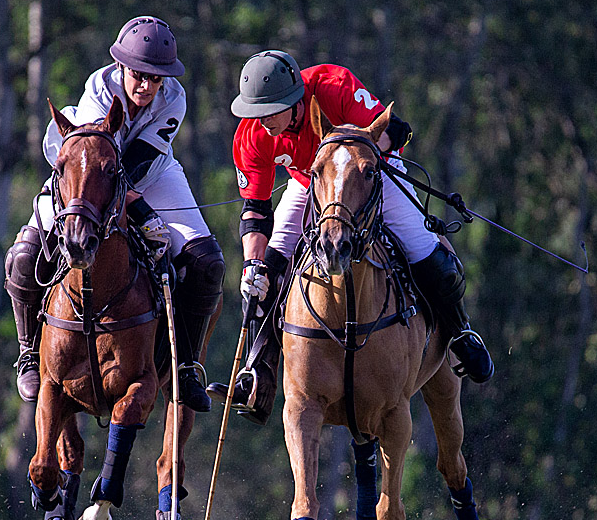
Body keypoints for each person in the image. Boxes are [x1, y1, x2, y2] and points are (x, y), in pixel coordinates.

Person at [207, 50, 493, 425]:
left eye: (271, 111)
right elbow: (256, 212)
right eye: (255, 113)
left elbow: (397, 130)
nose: (262, 122)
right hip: (311, 183)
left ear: (297, 101)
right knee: (265, 277)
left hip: (371, 175)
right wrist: (252, 265)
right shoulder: (251, 135)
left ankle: (460, 334)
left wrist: (359, 161)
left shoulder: (334, 86)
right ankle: (257, 373)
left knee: (425, 250)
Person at [4, 16, 225, 415]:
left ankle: (187, 366)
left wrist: (142, 210)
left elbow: (137, 164)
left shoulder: (174, 98)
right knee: (24, 255)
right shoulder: (98, 90)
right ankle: (26, 353)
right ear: (121, 67)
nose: (146, 86)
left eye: (155, 79)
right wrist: (137, 211)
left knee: (208, 262)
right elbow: (97, 165)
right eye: (139, 75)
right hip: (86, 179)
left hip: (153, 175)